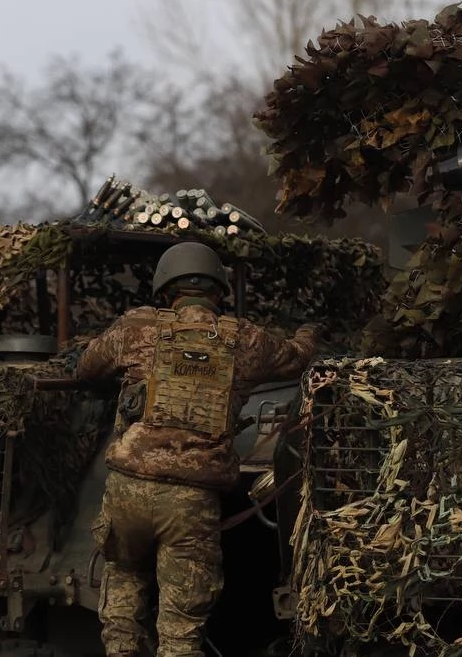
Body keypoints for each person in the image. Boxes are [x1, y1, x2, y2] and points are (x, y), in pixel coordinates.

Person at [75, 241, 319, 657]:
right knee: (181, 630)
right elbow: (297, 360)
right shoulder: (244, 338)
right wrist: (307, 332)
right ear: (218, 291)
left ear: (165, 289)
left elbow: (86, 369)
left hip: (128, 490)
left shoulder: (136, 328)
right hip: (192, 499)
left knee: (123, 595)